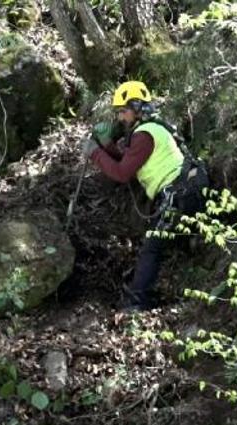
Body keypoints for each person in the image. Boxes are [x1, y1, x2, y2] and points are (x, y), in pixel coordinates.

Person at [84, 80, 208, 311]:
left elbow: (122, 173)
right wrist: (107, 146)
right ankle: (192, 250)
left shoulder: (144, 134)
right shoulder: (152, 129)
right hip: (187, 190)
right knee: (163, 242)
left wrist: (95, 154)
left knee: (152, 247)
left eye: (123, 111)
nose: (121, 118)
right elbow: (129, 160)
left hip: (179, 193)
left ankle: (137, 303)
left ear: (137, 107)